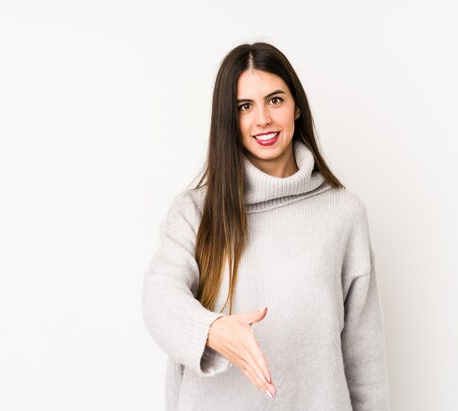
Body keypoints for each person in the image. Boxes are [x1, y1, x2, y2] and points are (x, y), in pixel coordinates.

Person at [142, 41, 389, 411]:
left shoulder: (343, 213)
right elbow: (158, 298)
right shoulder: (196, 211)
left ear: (297, 107)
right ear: (228, 120)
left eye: (275, 100)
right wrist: (212, 331)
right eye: (245, 106)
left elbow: (364, 357)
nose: (263, 119)